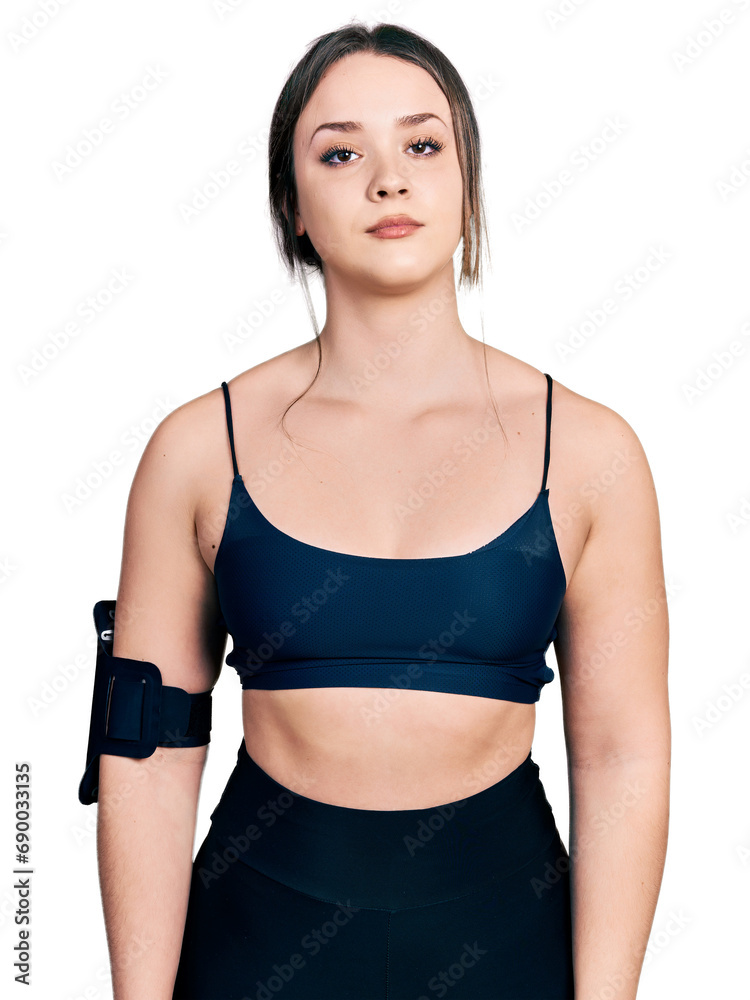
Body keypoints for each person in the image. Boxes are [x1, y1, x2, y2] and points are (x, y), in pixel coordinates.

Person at [88, 21, 671, 1000]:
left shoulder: (592, 452)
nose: (388, 180)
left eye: (423, 144)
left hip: (506, 940)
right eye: (342, 151)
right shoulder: (195, 448)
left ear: (467, 184)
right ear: (294, 206)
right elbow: (144, 757)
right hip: (256, 941)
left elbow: (621, 754)